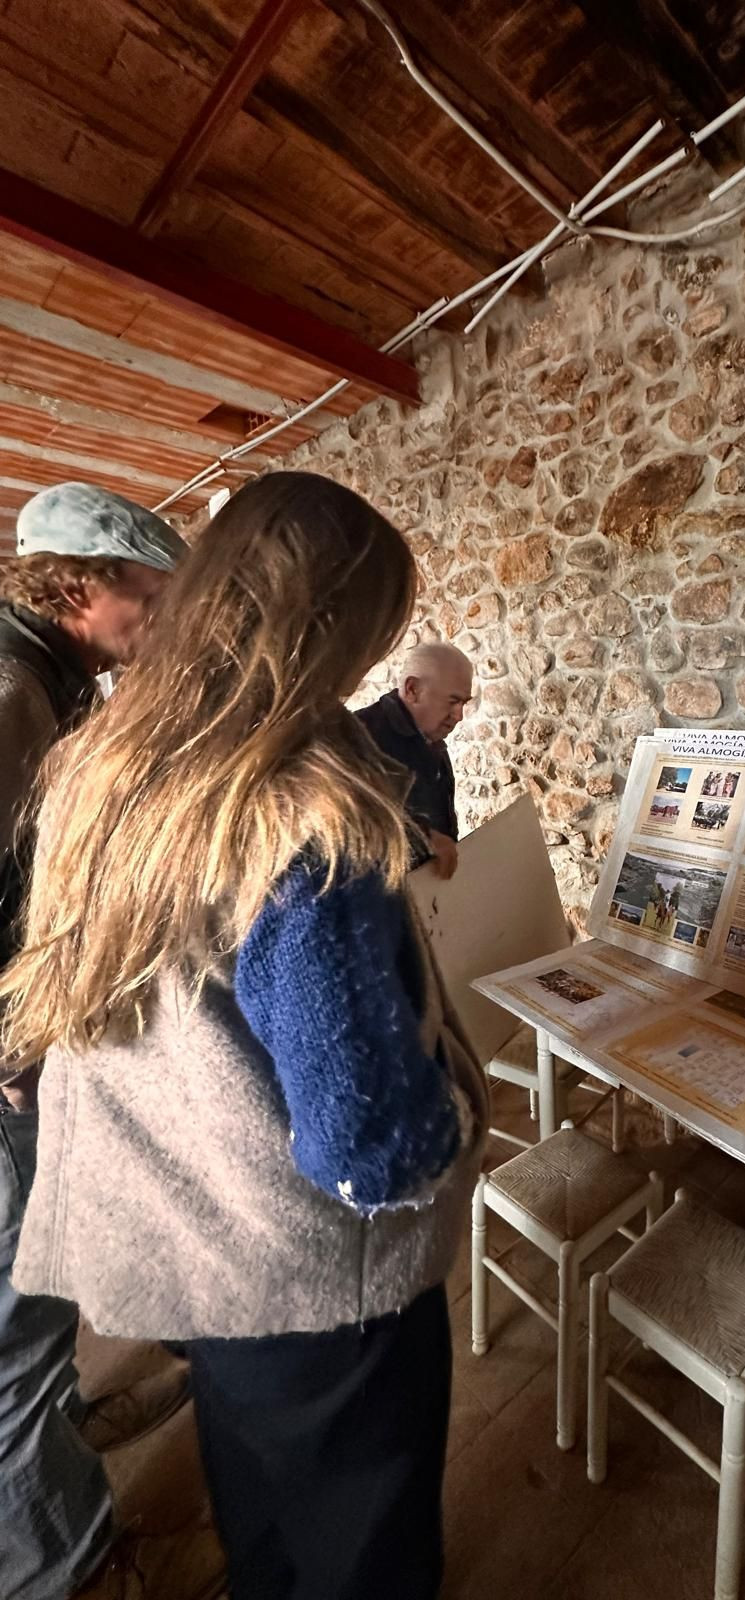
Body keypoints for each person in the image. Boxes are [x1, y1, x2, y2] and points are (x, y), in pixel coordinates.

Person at [1, 471, 488, 1600]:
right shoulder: (305, 818)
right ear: (338, 630)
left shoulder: (106, 762)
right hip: (314, 1279)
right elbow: (368, 1144)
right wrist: (459, 1110)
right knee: (362, 1543)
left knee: (264, 1513)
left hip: (195, 1241)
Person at [0, 482, 198, 1600]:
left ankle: (66, 1429)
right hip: (7, 1068)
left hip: (35, 1038)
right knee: (12, 1325)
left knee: (45, 1278)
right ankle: (68, 1571)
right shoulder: (11, 687)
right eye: (153, 597)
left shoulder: (56, 678)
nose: (162, 620)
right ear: (80, 584)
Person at [357, 641, 473, 879]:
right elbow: (352, 827)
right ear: (412, 689)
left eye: (463, 703)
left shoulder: (430, 739)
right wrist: (424, 840)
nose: (459, 716)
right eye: (452, 702)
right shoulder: (359, 738)